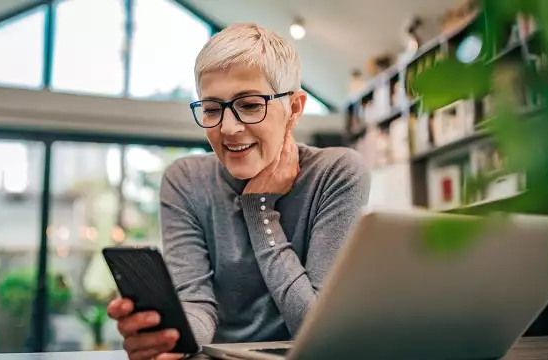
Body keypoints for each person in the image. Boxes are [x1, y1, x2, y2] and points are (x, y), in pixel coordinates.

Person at [107, 23, 370, 360]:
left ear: (294, 108)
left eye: (249, 105)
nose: (228, 128)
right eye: (212, 109)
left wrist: (259, 208)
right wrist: (169, 338)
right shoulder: (186, 180)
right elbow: (197, 305)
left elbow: (317, 330)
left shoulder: (337, 174)